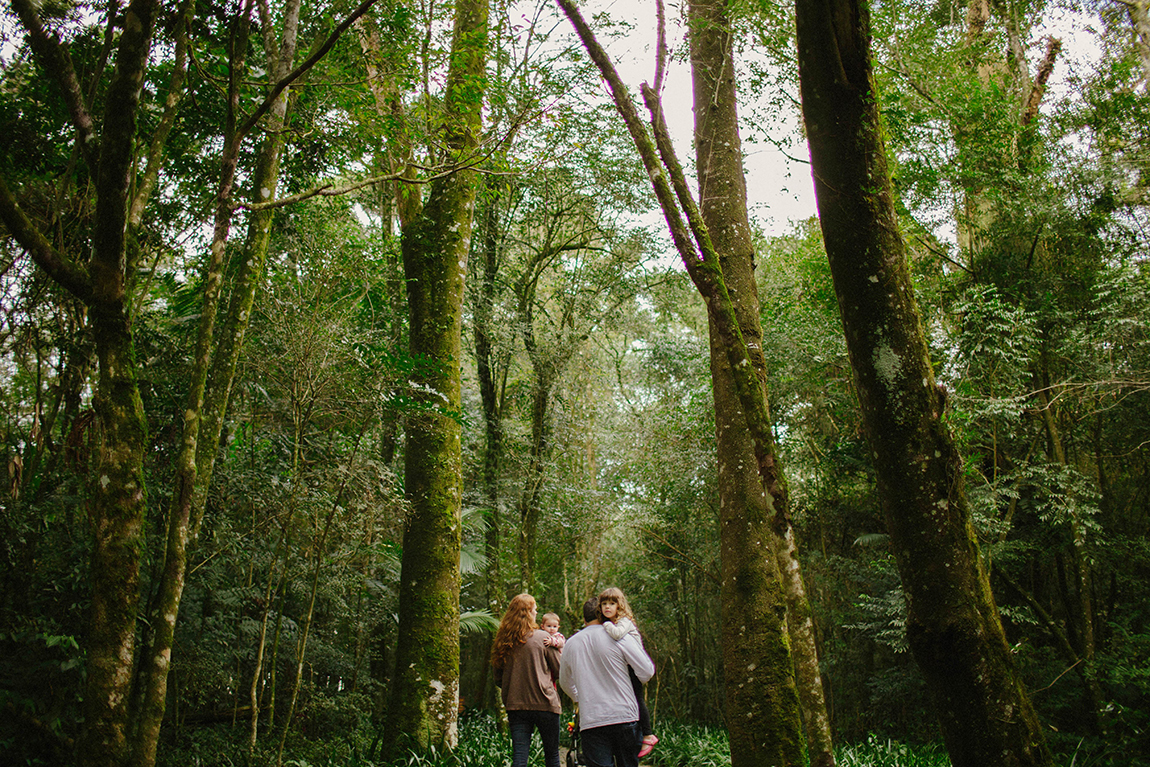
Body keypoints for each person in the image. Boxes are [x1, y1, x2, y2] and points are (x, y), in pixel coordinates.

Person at [559, 588, 655, 767]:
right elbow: (647, 670)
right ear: (601, 613)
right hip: (625, 715)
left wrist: (581, 698)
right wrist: (633, 681)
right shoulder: (620, 637)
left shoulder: (571, 644)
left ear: (584, 618)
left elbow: (565, 682)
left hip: (592, 719)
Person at [492, 593, 563, 767]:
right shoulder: (543, 639)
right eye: (535, 609)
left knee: (520, 755)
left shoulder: (502, 641)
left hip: (516, 705)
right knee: (552, 755)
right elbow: (560, 669)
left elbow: (498, 678)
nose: (537, 613)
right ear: (527, 612)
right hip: (546, 703)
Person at [598, 587, 659, 758]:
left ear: (620, 606)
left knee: (637, 699)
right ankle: (642, 735)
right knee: (632, 699)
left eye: (612, 604)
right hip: (625, 665)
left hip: (633, 666)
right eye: (604, 604)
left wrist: (606, 624)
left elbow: (617, 635)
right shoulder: (615, 622)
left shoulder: (624, 621)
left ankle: (648, 735)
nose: (607, 607)